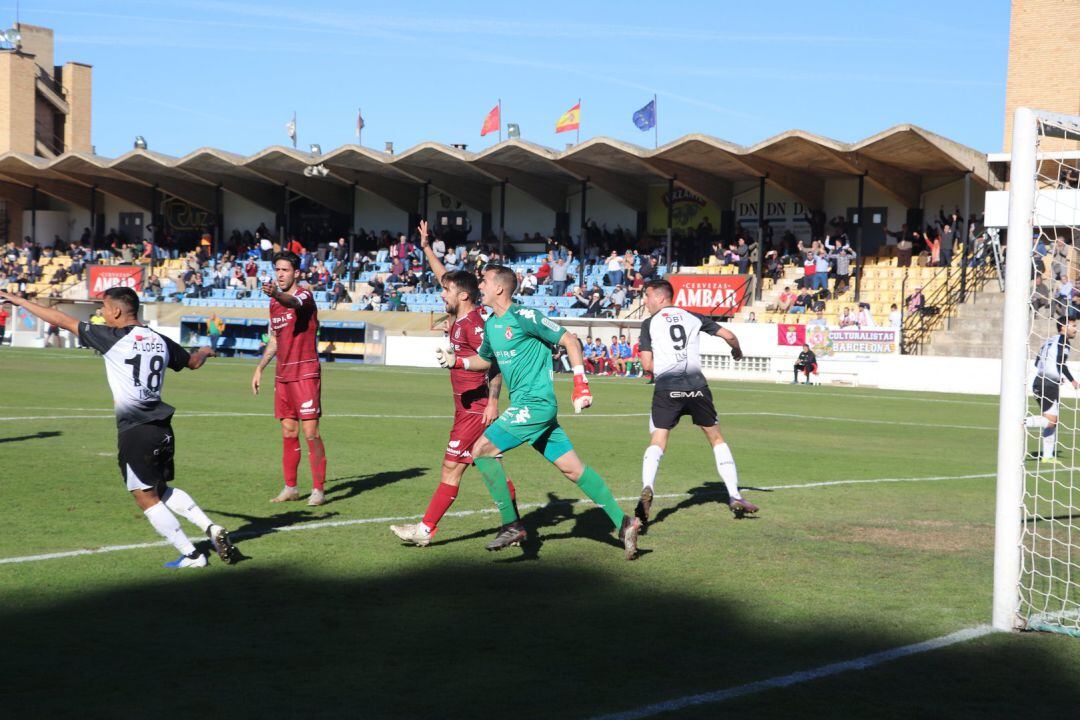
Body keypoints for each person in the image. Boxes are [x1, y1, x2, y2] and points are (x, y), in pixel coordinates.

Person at [0, 286, 238, 568]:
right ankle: (210, 529)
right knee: (159, 489)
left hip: (136, 430)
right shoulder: (160, 340)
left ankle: (192, 555)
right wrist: (204, 351)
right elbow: (192, 362)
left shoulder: (113, 339)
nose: (101, 314)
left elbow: (59, 319)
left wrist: (18, 300)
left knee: (144, 497)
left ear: (116, 310)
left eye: (103, 308)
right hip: (162, 427)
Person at [434, 264, 641, 559]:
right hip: (530, 409)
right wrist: (457, 361)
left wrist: (581, 384)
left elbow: (570, 340)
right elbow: (485, 361)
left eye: (485, 282)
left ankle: (511, 524)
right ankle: (624, 522)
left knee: (481, 450)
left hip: (534, 405)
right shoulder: (493, 324)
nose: (480, 286)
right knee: (573, 469)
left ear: (500, 288)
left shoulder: (525, 316)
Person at [390, 221, 515, 546]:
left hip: (475, 410)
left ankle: (425, 530)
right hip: (466, 407)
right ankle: (514, 526)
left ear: (462, 295)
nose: (440, 292)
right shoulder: (459, 316)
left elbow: (496, 361)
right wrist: (427, 247)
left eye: (446, 291)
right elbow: (444, 275)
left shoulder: (474, 325)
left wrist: (492, 402)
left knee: (451, 468)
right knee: (490, 465)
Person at [634, 280, 757, 528]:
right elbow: (729, 336)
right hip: (697, 386)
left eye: (646, 296)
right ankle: (734, 494)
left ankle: (648, 486)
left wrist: (667, 368)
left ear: (660, 297)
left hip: (667, 388)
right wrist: (737, 351)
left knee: (658, 440)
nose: (644, 301)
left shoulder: (650, 323)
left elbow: (647, 365)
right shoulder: (693, 316)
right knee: (716, 439)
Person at [251, 251, 329, 506]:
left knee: (310, 432)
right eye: (278, 270)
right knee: (288, 430)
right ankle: (291, 487)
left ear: (296, 272)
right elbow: (275, 339)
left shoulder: (305, 294)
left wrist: (275, 293)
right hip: (283, 374)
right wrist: (260, 368)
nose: (281, 274)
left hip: (305, 372)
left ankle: (318, 489)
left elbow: (293, 303)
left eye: (285, 270)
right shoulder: (273, 304)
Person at [1025, 317, 1079, 462]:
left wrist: (1056, 376)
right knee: (1051, 421)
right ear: (1063, 327)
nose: (1076, 329)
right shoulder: (1063, 341)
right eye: (1073, 326)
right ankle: (1023, 422)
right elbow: (1060, 362)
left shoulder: (1050, 340)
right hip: (1047, 385)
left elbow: (1038, 362)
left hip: (1041, 381)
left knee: (1051, 419)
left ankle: (1047, 456)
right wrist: (1072, 380)